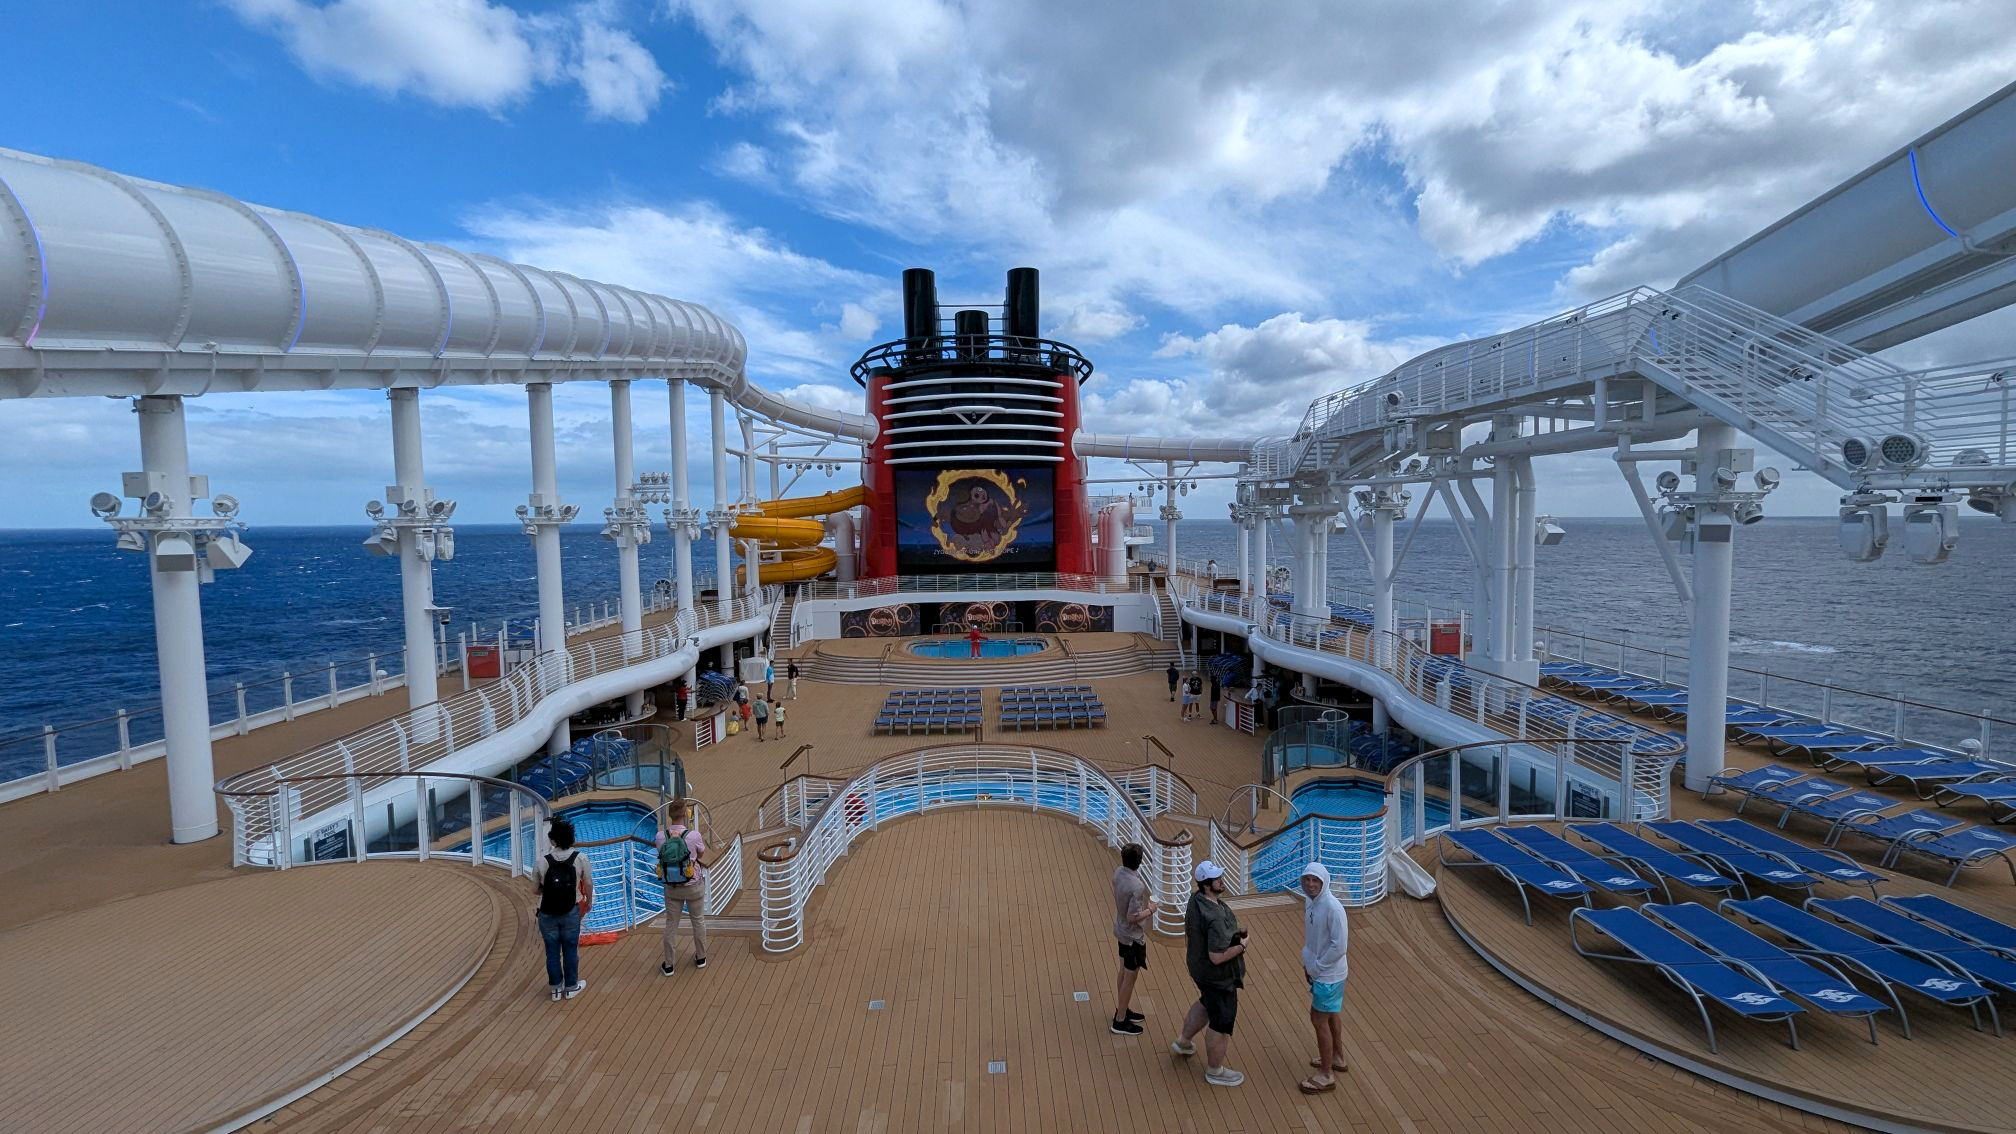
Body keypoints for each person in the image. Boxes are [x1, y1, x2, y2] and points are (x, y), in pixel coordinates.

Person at [1173, 860, 1247, 1087]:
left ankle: (1183, 1042)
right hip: (1219, 978)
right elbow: (1217, 957)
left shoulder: (1195, 900)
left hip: (1199, 969)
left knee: (1206, 1003)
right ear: (1207, 885)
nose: (1222, 881)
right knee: (1220, 1022)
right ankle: (1215, 1070)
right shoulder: (1214, 916)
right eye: (1217, 879)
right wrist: (1241, 945)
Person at [1298, 862, 1350, 1093]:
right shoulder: (1311, 902)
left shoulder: (1333, 908)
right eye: (1307, 880)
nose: (1310, 885)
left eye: (1315, 881)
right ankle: (1337, 1057)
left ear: (1324, 883)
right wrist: (1307, 962)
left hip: (1328, 975)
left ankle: (1326, 1074)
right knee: (1331, 1015)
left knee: (1318, 1019)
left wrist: (1316, 968)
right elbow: (1314, 939)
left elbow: (1339, 946)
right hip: (1320, 970)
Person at [535, 818, 593, 1001]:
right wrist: (589, 901)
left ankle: (555, 989)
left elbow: (535, 889)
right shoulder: (581, 858)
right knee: (570, 949)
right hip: (570, 911)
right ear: (572, 838)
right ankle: (571, 987)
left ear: (553, 840)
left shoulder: (542, 861)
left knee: (551, 951)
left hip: (546, 912)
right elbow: (588, 884)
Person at [656, 802, 708, 975]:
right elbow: (701, 853)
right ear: (685, 814)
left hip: (672, 887)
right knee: (698, 921)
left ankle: (669, 965)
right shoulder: (694, 835)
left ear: (670, 815)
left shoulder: (660, 836)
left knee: (671, 925)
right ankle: (701, 958)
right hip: (693, 885)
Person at [1111, 843, 1156, 1035]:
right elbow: (1133, 917)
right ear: (1139, 861)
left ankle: (1122, 1008)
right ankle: (1120, 1020)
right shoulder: (1137, 886)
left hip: (1121, 930)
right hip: (1132, 937)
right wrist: (1150, 910)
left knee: (1122, 971)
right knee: (1130, 978)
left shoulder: (1118, 873)